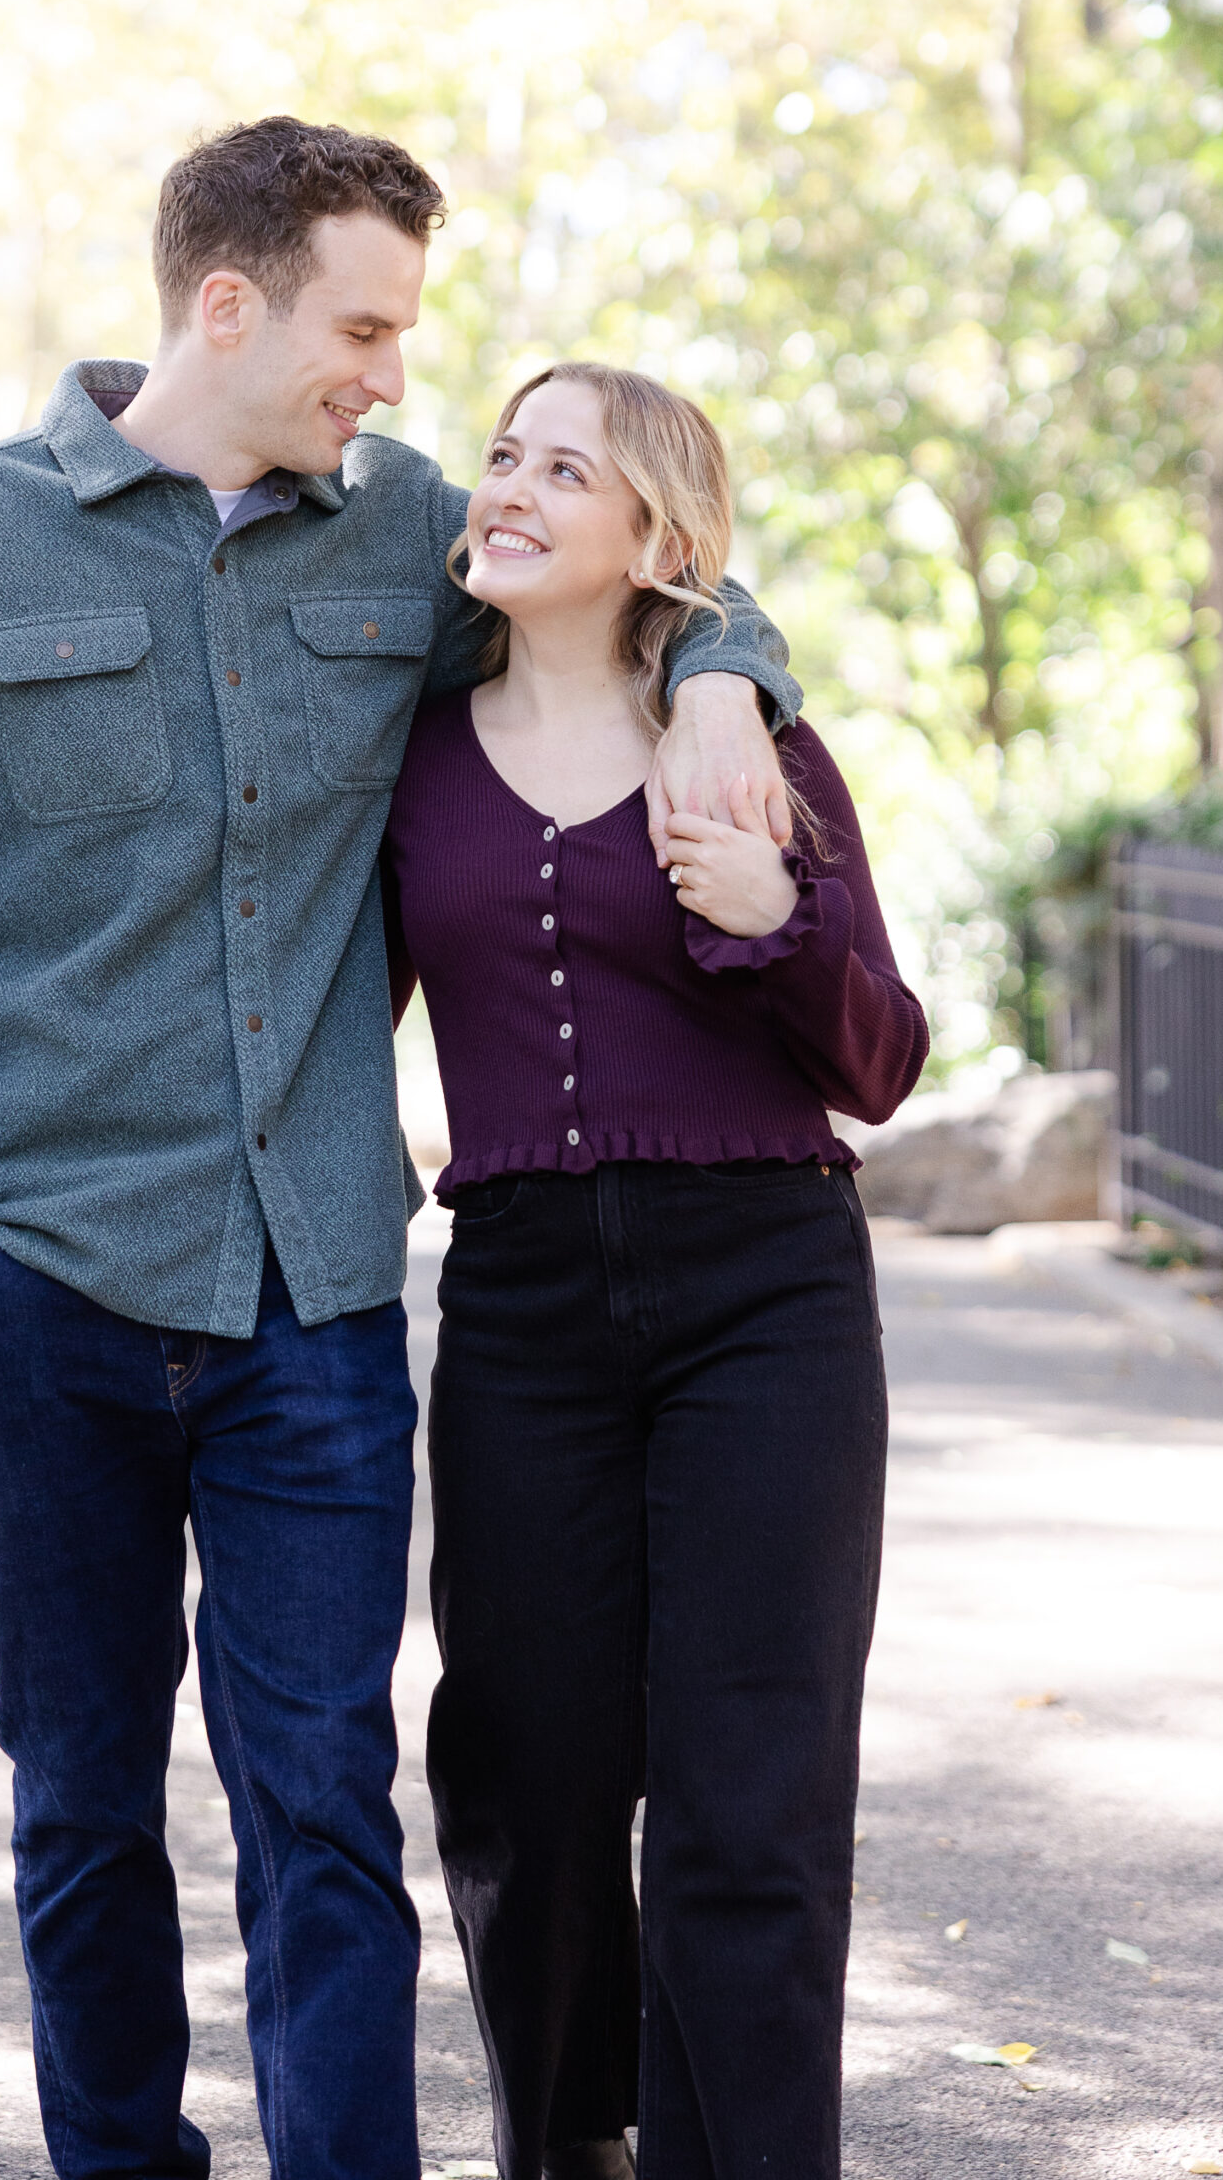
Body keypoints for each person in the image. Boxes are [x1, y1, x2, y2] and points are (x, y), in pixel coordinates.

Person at [0, 118, 801, 2180]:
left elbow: (633, 571)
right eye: (364, 323)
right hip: (44, 1280)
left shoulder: (403, 529)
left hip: (317, 1296)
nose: (395, 374)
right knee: (80, 1794)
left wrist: (721, 682)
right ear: (226, 301)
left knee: (323, 1797)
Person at [380, 363, 929, 2180]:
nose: (513, 489)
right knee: (523, 1783)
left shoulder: (747, 746)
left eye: (568, 470)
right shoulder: (413, 753)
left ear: (661, 541)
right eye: (505, 456)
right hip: (523, 1307)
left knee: (747, 1804)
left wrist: (777, 934)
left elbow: (879, 1059)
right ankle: (567, 2148)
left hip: (765, 1294)